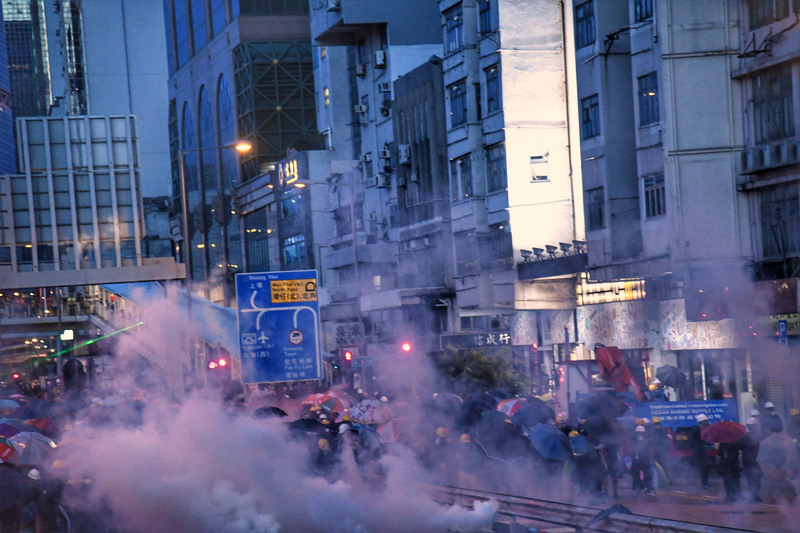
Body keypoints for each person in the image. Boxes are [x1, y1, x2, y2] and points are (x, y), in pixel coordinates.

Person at [758, 419, 799, 504]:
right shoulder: (787, 440)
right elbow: (794, 458)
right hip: (786, 474)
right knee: (788, 498)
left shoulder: (766, 442)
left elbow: (763, 460)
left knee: (773, 497)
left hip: (774, 475)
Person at [741, 417, 763, 502]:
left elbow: (740, 447)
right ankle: (754, 495)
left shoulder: (745, 436)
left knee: (751, 478)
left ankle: (753, 495)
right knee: (755, 478)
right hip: (754, 460)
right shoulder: (757, 436)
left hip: (748, 460)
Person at [629, 425, 655, 496]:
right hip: (636, 460)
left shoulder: (648, 440)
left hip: (645, 460)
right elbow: (631, 449)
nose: (639, 434)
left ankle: (650, 490)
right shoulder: (633, 439)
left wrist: (650, 458)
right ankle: (635, 489)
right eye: (638, 432)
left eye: (641, 432)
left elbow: (650, 450)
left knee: (648, 476)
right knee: (635, 475)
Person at [690, 413, 713, 489]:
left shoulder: (704, 429)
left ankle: (706, 482)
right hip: (699, 452)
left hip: (703, 452)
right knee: (703, 468)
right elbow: (696, 441)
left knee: (706, 467)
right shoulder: (696, 430)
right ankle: (704, 483)